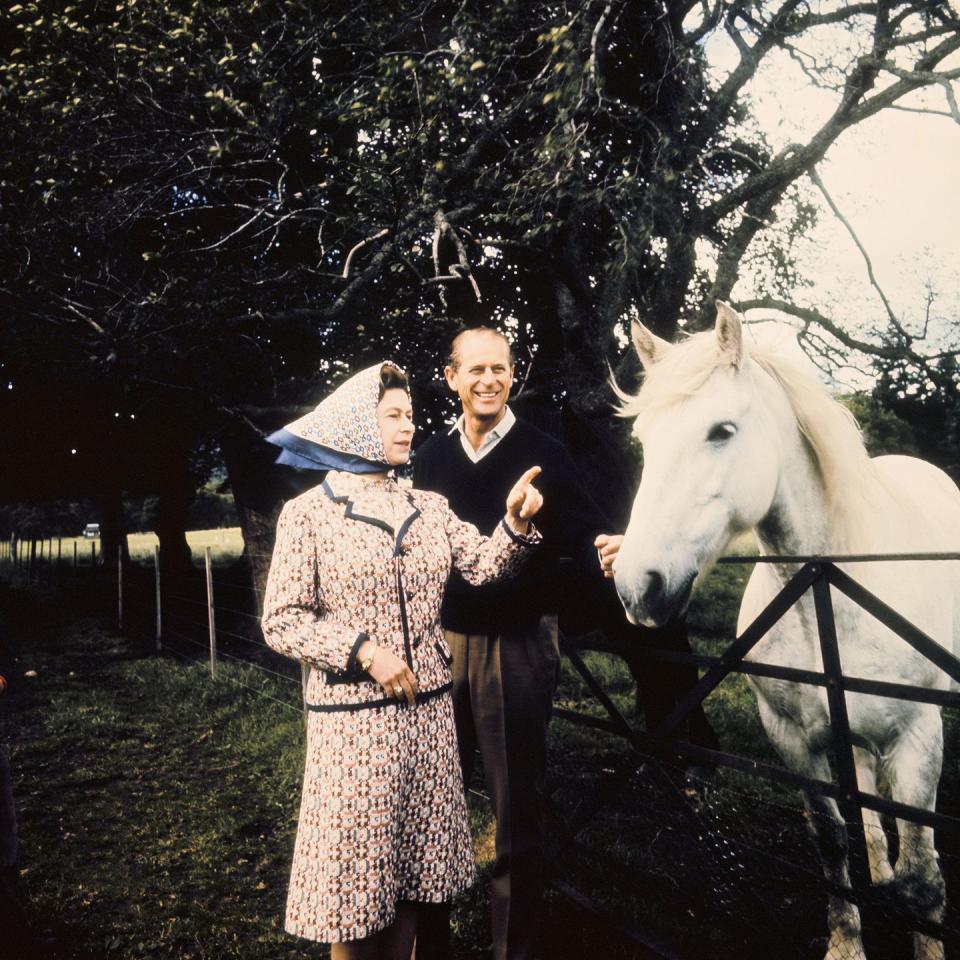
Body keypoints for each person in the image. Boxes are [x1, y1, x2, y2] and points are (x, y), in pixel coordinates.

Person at [413, 327, 717, 960]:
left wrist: (609, 549)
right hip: (439, 643)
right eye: (475, 370)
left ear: (511, 375)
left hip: (517, 644)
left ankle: (510, 948)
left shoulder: (543, 450)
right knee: (435, 797)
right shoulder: (431, 459)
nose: (488, 380)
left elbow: (583, 536)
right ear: (452, 377)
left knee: (515, 806)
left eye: (499, 369)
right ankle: (429, 943)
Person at [261, 360, 544, 960]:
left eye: (410, 416)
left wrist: (515, 522)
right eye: (391, 416)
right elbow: (281, 621)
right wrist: (363, 651)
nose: (408, 427)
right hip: (354, 729)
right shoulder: (309, 514)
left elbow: (487, 566)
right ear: (354, 426)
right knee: (358, 893)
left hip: (431, 723)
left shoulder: (430, 507)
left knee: (421, 883)